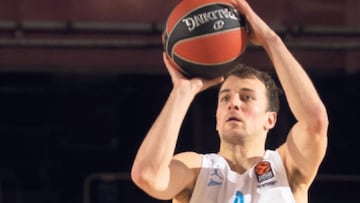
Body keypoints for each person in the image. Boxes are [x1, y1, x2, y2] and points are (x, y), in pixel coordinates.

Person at [131, 0, 329, 202]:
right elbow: (147, 175)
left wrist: (271, 40)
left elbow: (315, 122)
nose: (233, 103)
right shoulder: (197, 169)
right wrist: (182, 92)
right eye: (225, 97)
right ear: (217, 118)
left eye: (247, 97)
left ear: (270, 119)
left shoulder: (285, 168)